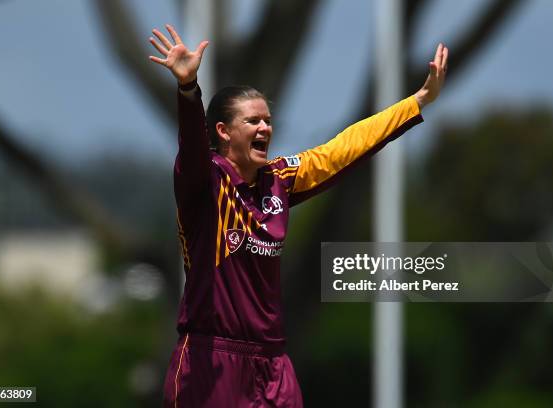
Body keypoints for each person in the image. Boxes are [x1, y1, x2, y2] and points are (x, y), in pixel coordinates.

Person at [148, 24, 448, 407]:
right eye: (253, 121)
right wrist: (189, 90)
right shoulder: (205, 183)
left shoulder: (280, 180)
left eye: (268, 120)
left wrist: (418, 100)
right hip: (210, 359)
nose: (265, 128)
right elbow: (190, 144)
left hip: (272, 364)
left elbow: (343, 149)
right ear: (222, 131)